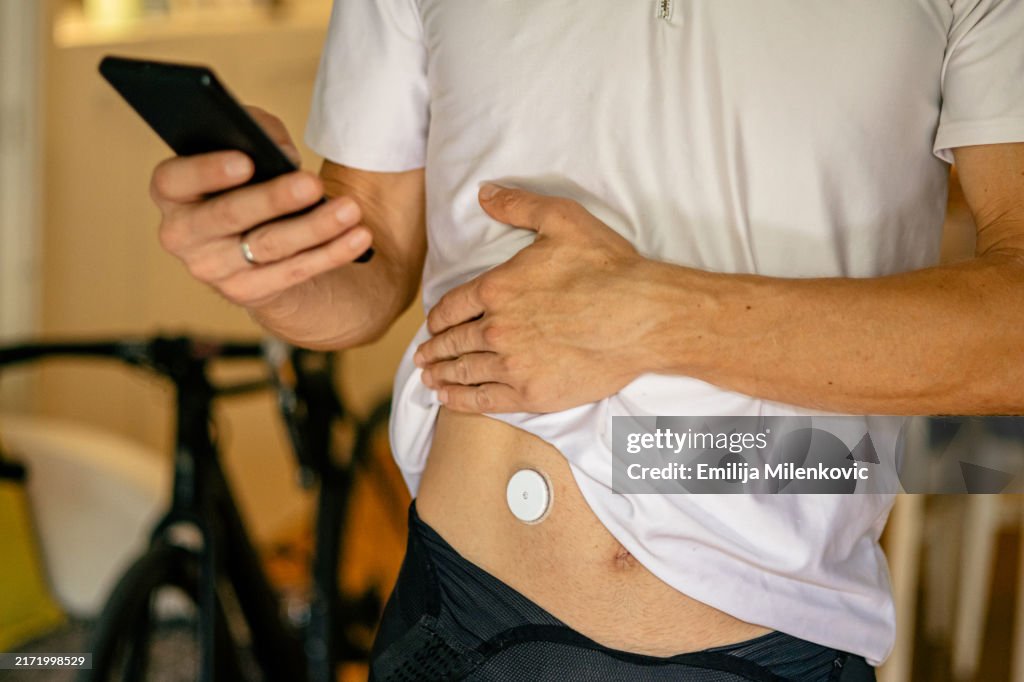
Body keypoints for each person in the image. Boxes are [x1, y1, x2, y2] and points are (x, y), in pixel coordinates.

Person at [148, 1, 1024, 679]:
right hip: (450, 620)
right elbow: (369, 260)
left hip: (754, 647)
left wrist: (649, 318)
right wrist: (269, 252)